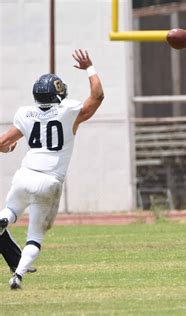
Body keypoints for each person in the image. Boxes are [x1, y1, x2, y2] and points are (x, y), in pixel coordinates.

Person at [0, 49, 104, 289]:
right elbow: (97, 96)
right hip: (50, 181)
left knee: (11, 212)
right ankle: (18, 275)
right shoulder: (68, 112)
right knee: (35, 234)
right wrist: (90, 67)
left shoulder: (24, 113)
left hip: (24, 175)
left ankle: (4, 219)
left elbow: (4, 143)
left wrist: (7, 149)